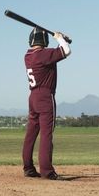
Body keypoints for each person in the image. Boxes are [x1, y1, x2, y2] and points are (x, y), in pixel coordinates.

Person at [22, 27, 71, 180]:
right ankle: (47, 171)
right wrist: (59, 38)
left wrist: (61, 40)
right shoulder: (44, 54)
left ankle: (28, 168)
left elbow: (57, 51)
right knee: (46, 135)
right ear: (44, 40)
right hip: (45, 96)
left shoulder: (28, 55)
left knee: (31, 134)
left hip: (33, 97)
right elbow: (66, 51)